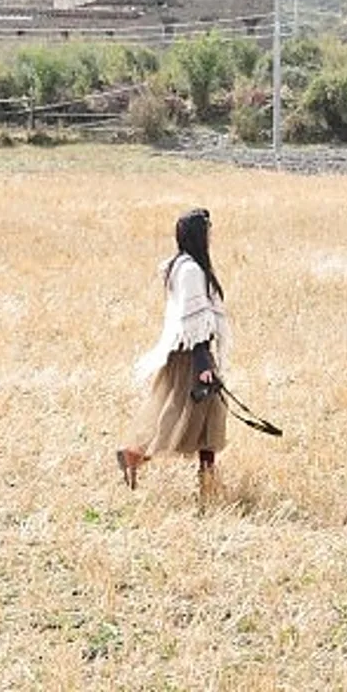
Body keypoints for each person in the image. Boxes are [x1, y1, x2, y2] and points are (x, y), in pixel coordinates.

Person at [117, 207, 230, 511]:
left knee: (200, 419)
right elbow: (194, 321)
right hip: (192, 357)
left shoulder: (181, 266)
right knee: (181, 419)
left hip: (188, 354)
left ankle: (207, 484)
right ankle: (133, 456)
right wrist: (203, 362)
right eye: (207, 231)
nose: (211, 236)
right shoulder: (191, 271)